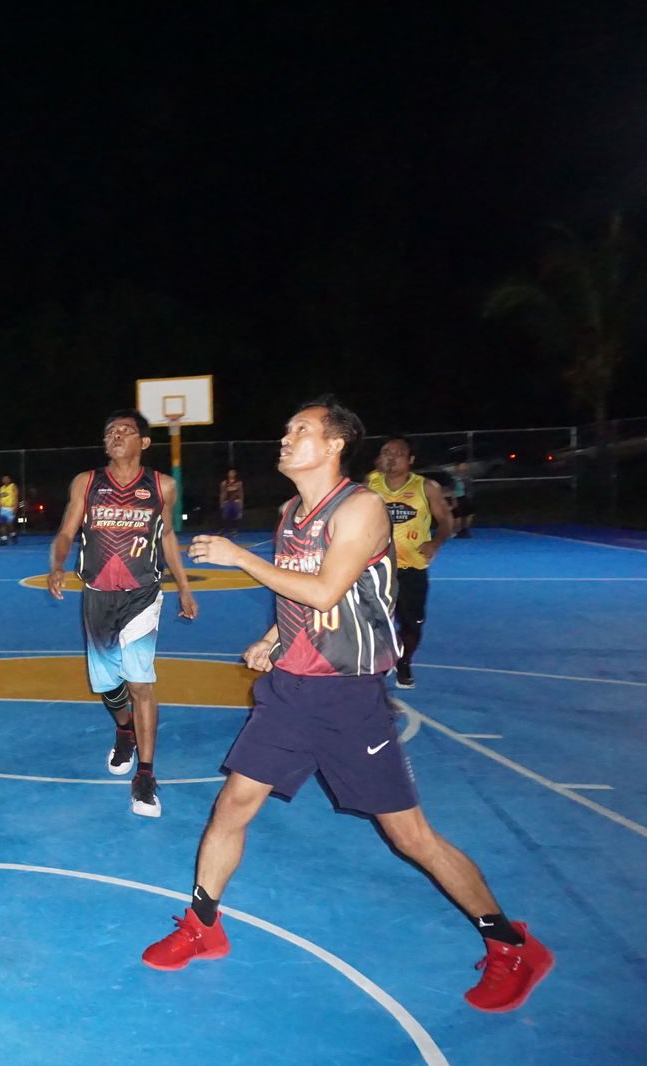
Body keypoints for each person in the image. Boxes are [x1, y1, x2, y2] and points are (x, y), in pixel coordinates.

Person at [142, 397, 552, 1015]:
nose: (285, 438)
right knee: (232, 804)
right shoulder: (290, 512)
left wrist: (240, 558)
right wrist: (275, 637)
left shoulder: (359, 509)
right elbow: (305, 596)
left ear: (334, 445)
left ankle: (511, 944)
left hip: (347, 697)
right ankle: (204, 925)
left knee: (409, 836)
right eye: (286, 429)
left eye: (299, 429)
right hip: (289, 691)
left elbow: (329, 586)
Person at [48, 411, 198, 817]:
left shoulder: (161, 486)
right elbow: (66, 531)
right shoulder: (87, 482)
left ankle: (145, 777)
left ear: (144, 442)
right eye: (110, 431)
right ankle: (124, 729)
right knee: (108, 687)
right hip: (97, 595)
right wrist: (58, 564)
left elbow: (167, 535)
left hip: (142, 596)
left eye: (125, 431)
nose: (115, 435)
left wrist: (183, 586)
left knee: (140, 683)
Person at [367, 436, 454, 690]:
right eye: (386, 452)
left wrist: (435, 542)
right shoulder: (370, 484)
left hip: (412, 569)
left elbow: (446, 520)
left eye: (398, 453)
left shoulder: (426, 487)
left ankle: (404, 661)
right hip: (377, 568)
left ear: (411, 460)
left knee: (411, 623)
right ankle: (377, 664)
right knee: (373, 621)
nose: (391, 457)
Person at [451, 461, 476, 538]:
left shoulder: (467, 477)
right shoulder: (453, 478)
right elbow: (451, 490)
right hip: (457, 497)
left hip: (464, 497)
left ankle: (464, 529)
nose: (464, 468)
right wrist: (453, 499)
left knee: (469, 514)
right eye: (462, 466)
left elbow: (469, 488)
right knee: (458, 516)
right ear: (457, 468)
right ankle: (455, 531)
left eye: (465, 466)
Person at [218, 468, 245, 536]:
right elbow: (222, 493)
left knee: (235, 516)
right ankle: (222, 529)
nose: (231, 474)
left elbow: (241, 493)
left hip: (236, 501)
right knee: (224, 516)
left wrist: (241, 503)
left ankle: (234, 530)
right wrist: (221, 503)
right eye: (229, 473)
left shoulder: (239, 483)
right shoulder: (224, 483)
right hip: (227, 502)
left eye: (232, 473)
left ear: (235, 474)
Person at [0, 474, 20, 545]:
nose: (5, 480)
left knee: (9, 524)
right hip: (3, 509)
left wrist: (16, 506)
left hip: (10, 508)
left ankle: (13, 534)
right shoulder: (1, 488)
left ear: (9, 480)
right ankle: (3, 540)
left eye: (6, 479)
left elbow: (16, 497)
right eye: (3, 479)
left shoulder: (13, 486)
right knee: (2, 524)